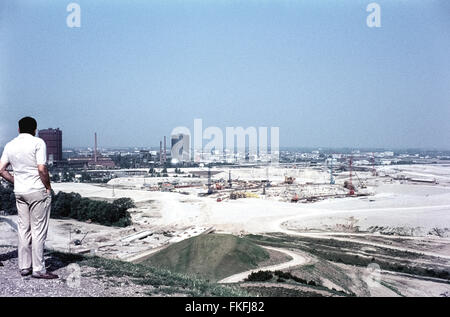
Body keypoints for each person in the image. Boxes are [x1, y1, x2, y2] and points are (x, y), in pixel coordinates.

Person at [0, 117, 58, 279]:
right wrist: (48, 187)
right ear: (35, 129)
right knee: (38, 231)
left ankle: (24, 267)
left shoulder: (10, 145)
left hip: (20, 191)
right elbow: (42, 168)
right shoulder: (38, 143)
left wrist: (15, 180)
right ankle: (38, 269)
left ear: (18, 129)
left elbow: (1, 169)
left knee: (23, 229)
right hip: (37, 191)